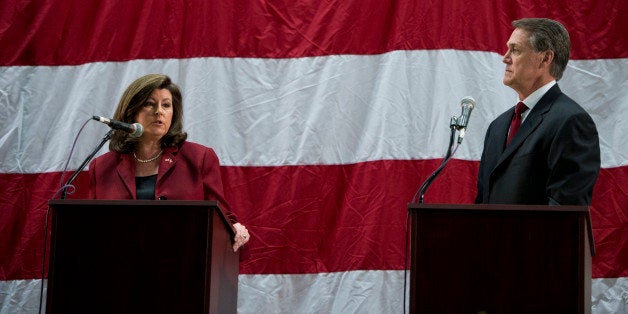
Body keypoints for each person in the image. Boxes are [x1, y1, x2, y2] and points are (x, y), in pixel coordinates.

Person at [88, 74, 249, 251]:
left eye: (166, 105)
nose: (159, 111)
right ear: (131, 111)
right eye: (149, 104)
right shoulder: (102, 166)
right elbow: (91, 225)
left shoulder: (198, 158)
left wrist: (235, 228)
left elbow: (221, 218)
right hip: (119, 267)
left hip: (182, 265)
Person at [475, 18, 600, 205]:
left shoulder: (571, 121)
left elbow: (565, 210)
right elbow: (483, 202)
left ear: (545, 59)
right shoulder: (498, 126)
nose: (505, 57)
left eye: (515, 50)